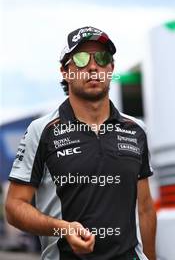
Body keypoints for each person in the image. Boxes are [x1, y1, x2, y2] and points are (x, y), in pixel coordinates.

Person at [5, 26, 156, 260]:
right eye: (81, 58)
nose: (93, 66)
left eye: (102, 58)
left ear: (111, 69)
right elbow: (14, 207)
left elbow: (145, 207)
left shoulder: (136, 130)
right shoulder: (42, 130)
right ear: (65, 72)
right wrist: (63, 228)